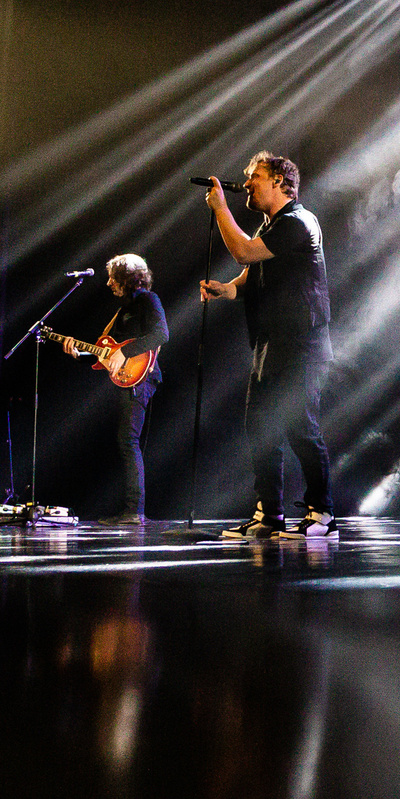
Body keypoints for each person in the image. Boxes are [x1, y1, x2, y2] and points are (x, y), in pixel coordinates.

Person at [200, 152, 333, 537]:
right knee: (259, 429)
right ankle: (269, 514)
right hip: (271, 345)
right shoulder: (273, 226)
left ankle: (323, 516)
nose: (246, 183)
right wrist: (227, 289)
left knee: (300, 428)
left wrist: (220, 209)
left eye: (254, 176)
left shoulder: (298, 222)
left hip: (301, 345)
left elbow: (244, 251)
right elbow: (251, 270)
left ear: (279, 181)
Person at [91, 254, 168, 523]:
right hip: (126, 376)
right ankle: (131, 510)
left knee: (128, 441)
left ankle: (134, 511)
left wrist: (126, 353)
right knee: (125, 441)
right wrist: (78, 352)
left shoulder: (149, 300)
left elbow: (161, 334)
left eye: (113, 278)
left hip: (142, 377)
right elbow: (107, 351)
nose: (109, 283)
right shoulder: (123, 310)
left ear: (127, 278)